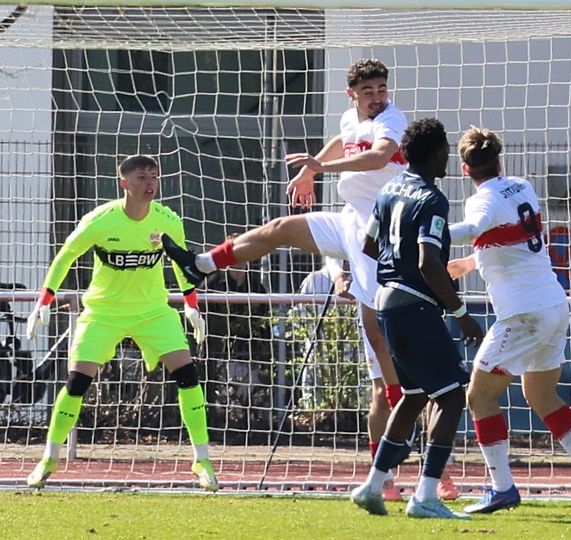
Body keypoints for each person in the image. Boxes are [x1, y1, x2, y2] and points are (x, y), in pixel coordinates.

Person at [161, 58, 434, 499]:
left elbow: (381, 155)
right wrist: (310, 168)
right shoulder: (350, 118)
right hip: (350, 222)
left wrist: (320, 169)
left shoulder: (392, 119)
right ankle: (203, 264)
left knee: (386, 371)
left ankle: (415, 468)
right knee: (279, 228)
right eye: (368, 91)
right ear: (352, 95)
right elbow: (342, 138)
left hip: (380, 234)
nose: (377, 97)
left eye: (381, 89)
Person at [23, 155, 217, 491]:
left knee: (187, 374)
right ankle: (49, 458)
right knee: (77, 382)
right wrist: (45, 299)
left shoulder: (168, 220)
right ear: (123, 182)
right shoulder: (100, 221)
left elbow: (181, 263)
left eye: (154, 176)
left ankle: (202, 461)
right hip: (104, 312)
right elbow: (66, 255)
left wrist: (191, 305)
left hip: (153, 311)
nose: (150, 183)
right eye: (142, 177)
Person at [444, 127, 571, 517]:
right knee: (540, 393)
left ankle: (502, 488)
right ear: (499, 161)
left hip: (523, 314)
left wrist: (423, 231)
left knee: (479, 397)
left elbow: (472, 228)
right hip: (554, 304)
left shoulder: (481, 200)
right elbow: (513, 239)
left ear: (465, 168)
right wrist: (470, 262)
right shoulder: (522, 187)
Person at [349, 118, 484, 520]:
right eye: (445, 150)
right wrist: (461, 313)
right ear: (437, 152)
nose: (447, 157)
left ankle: (372, 486)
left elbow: (370, 245)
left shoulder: (388, 190)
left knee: (414, 396)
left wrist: (398, 265)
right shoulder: (431, 198)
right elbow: (428, 261)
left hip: (386, 304)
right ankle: (425, 496)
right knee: (452, 395)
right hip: (415, 305)